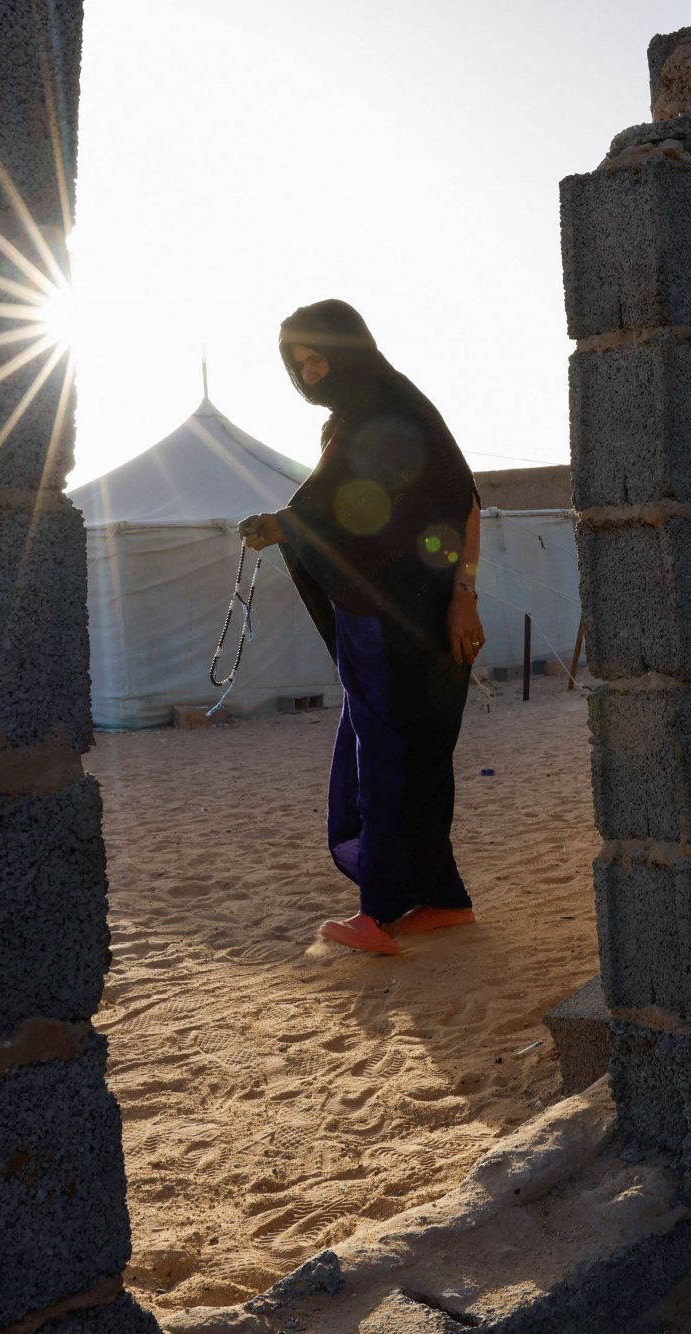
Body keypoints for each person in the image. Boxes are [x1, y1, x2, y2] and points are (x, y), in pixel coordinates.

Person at [239, 300, 484, 956]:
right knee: (417, 756)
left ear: (351, 348)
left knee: (385, 754)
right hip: (394, 615)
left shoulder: (388, 409)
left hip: (403, 620)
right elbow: (339, 513)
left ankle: (377, 913)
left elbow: (463, 500)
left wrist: (464, 596)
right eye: (301, 366)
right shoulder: (363, 417)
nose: (314, 374)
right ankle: (444, 900)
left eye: (320, 357)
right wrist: (288, 525)